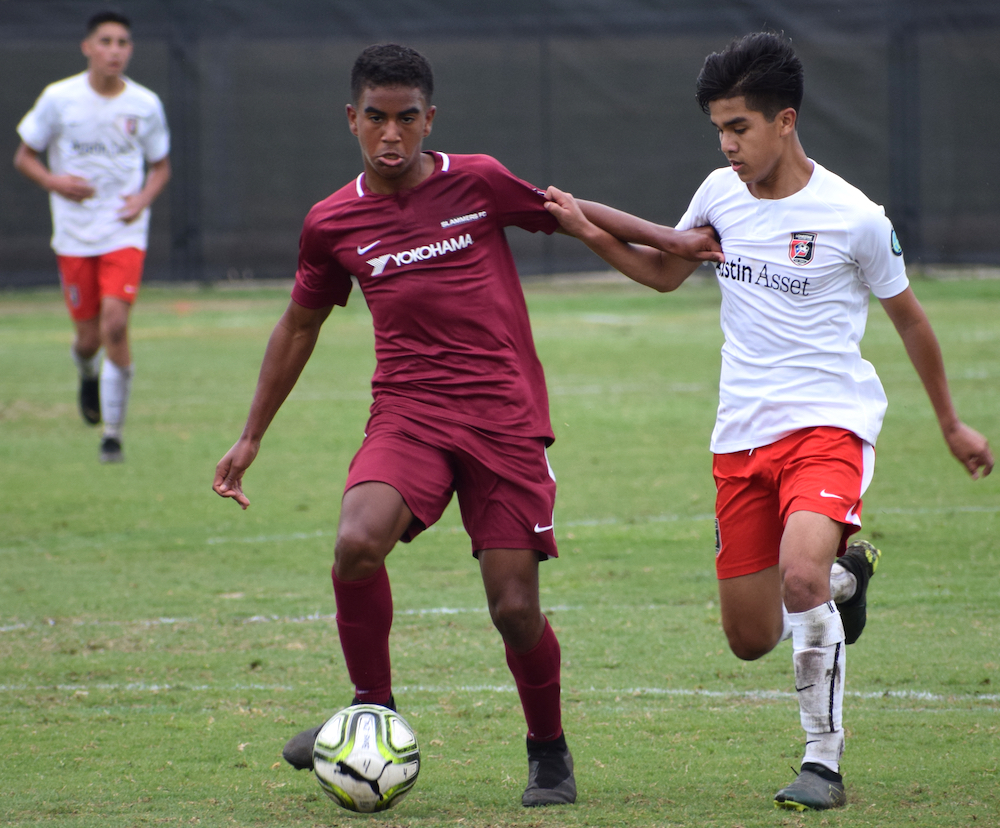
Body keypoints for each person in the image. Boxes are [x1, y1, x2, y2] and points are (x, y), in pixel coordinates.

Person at [212, 42, 721, 807]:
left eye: (407, 118)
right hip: (409, 414)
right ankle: (370, 711)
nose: (391, 134)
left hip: (505, 420)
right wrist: (251, 435)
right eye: (376, 119)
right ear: (351, 119)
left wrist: (673, 238)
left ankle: (548, 749)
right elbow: (298, 326)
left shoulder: (476, 180)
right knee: (355, 543)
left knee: (514, 607)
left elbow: (565, 207)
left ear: (430, 119)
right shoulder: (331, 222)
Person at [543, 31, 993, 811]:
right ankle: (848, 580)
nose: (728, 144)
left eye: (740, 127)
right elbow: (663, 272)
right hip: (738, 437)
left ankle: (823, 763)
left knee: (798, 576)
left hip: (829, 426)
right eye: (719, 128)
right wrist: (585, 229)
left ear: (785, 120)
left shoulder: (854, 217)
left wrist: (952, 425)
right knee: (751, 637)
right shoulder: (719, 193)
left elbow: (913, 322)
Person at [14, 10, 171, 463]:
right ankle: (87, 373)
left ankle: (112, 435)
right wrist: (54, 182)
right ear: (88, 47)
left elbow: (161, 168)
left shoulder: (144, 104)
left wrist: (142, 199)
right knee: (88, 340)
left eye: (122, 42)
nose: (115, 50)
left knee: (116, 326)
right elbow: (24, 156)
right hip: (74, 236)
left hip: (123, 231)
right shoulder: (59, 98)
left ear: (130, 50)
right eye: (106, 41)